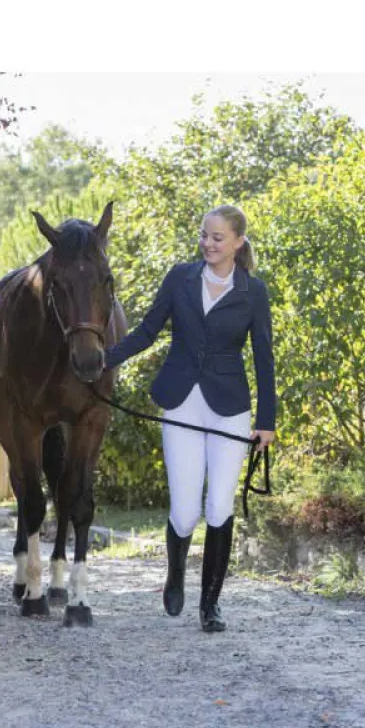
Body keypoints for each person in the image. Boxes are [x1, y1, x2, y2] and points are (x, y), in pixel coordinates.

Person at [103, 205, 276, 632]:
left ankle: (210, 605)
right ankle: (176, 573)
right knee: (184, 512)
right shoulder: (179, 277)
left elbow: (263, 357)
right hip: (181, 403)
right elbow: (147, 331)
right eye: (204, 235)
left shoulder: (253, 291)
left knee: (219, 505)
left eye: (217, 237)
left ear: (238, 242)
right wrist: (102, 360)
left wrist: (267, 421)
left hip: (230, 408)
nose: (208, 244)